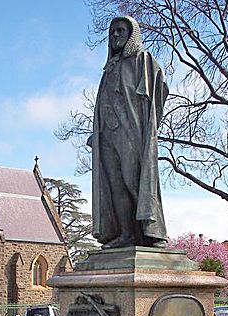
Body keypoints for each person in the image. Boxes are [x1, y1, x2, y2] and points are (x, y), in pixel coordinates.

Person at [88, 15, 169, 249]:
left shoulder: (143, 60)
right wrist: (98, 131)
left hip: (130, 133)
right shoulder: (109, 67)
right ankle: (126, 234)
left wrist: (147, 126)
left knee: (136, 181)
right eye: (112, 31)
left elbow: (160, 90)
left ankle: (153, 233)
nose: (115, 35)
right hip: (107, 135)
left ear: (132, 34)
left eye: (120, 30)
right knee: (116, 187)